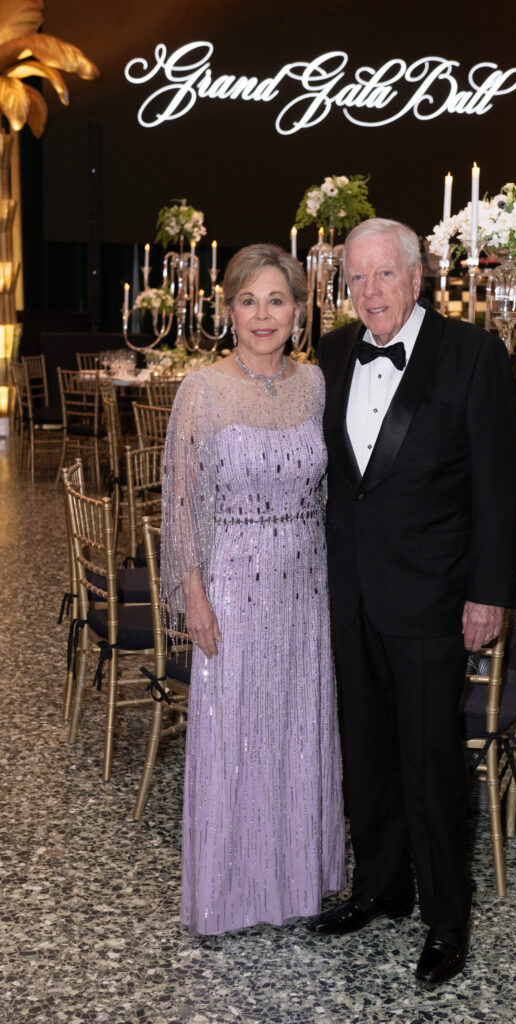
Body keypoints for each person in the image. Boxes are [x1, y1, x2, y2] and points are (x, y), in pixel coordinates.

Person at [307, 218, 516, 984]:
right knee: (364, 749)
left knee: (432, 761)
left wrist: (488, 592)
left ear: (417, 276)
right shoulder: (332, 353)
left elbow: (500, 487)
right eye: (356, 279)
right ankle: (379, 886)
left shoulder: (472, 355)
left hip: (434, 597)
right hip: (351, 590)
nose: (369, 292)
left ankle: (445, 918)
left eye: (383, 276)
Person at [161, 243, 344, 934]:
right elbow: (179, 504)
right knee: (234, 729)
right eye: (248, 300)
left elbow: (331, 491)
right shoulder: (201, 389)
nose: (262, 314)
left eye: (276, 300)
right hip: (232, 579)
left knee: (299, 726)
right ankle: (229, 890)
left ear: (299, 310)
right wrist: (195, 595)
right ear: (227, 309)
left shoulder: (317, 385)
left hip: (307, 581)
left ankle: (296, 880)